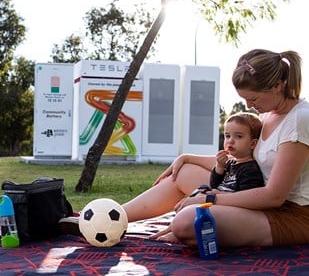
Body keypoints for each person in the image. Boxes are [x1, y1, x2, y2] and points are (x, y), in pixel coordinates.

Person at [61, 49, 309, 247]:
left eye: (253, 99)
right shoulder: (268, 114)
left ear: (277, 85)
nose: (248, 104)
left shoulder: (299, 119)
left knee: (188, 221)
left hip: (291, 215)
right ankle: (111, 215)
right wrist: (186, 157)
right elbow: (241, 161)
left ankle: (181, 226)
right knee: (184, 172)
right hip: (253, 194)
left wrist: (210, 199)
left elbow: (274, 196)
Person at [207, 111, 264, 193]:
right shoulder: (229, 163)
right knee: (202, 188)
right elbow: (214, 185)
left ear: (252, 144)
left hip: (229, 203)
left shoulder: (250, 169)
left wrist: (220, 195)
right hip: (220, 199)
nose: (230, 141)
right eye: (227, 136)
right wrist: (219, 166)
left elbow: (245, 198)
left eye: (239, 136)